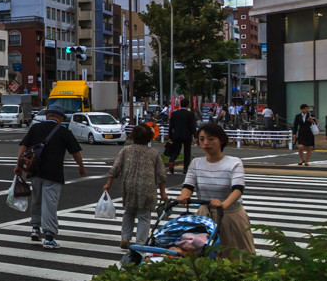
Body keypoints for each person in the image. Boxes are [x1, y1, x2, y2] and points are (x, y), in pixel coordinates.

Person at [174, 122, 255, 256]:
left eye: (211, 139)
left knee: (237, 255)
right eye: (201, 139)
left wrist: (223, 205)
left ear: (221, 140)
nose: (206, 143)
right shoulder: (196, 163)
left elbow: (238, 188)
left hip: (230, 215)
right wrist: (184, 196)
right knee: (204, 256)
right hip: (205, 215)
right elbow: (188, 185)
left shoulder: (234, 163)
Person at [14, 105, 86, 250]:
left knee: (37, 200)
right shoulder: (64, 132)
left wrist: (18, 166)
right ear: (60, 118)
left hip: (34, 172)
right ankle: (49, 236)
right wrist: (81, 167)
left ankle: (35, 228)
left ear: (47, 116)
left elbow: (23, 147)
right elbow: (75, 152)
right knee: (50, 204)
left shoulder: (35, 129)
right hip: (53, 174)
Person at [102, 125, 168, 248]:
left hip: (129, 185)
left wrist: (108, 183)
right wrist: (163, 193)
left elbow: (116, 168)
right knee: (144, 216)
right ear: (149, 138)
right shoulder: (153, 153)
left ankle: (125, 237)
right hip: (147, 187)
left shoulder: (126, 150)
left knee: (129, 212)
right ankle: (140, 243)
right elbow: (161, 174)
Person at [166, 98, 198, 175]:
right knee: (187, 152)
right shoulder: (190, 114)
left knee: (176, 151)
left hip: (176, 135)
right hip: (187, 135)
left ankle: (171, 161)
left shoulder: (174, 114)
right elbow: (193, 126)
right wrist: (195, 136)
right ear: (187, 105)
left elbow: (171, 126)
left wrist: (170, 135)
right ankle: (185, 169)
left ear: (180, 105)